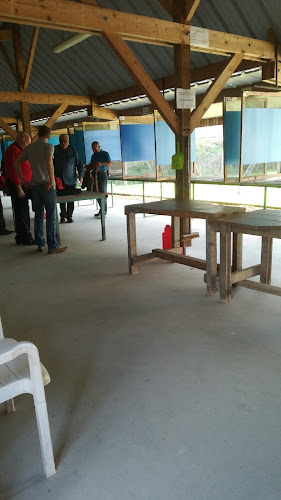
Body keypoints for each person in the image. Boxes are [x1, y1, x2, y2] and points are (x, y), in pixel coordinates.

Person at [14, 125, 67, 255]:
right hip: (46, 185)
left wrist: (23, 181)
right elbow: (49, 162)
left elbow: (17, 163)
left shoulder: (29, 148)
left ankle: (40, 244)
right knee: (50, 215)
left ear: (38, 135)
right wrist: (52, 180)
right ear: (48, 137)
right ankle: (53, 246)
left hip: (35, 186)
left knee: (38, 215)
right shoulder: (48, 147)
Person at [4, 131, 35, 245]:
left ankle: (21, 237)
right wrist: (19, 188)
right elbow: (13, 171)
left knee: (21, 211)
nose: (27, 145)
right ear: (21, 140)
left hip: (24, 184)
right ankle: (25, 237)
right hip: (18, 185)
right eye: (27, 142)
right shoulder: (13, 150)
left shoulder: (18, 149)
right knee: (22, 212)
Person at [53, 134, 84, 223]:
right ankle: (62, 216)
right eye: (61, 141)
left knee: (71, 199)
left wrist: (81, 176)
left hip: (71, 179)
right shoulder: (55, 150)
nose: (63, 143)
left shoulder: (73, 150)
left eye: (65, 141)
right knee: (61, 199)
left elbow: (79, 164)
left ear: (68, 141)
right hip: (59, 180)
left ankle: (69, 216)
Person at [90, 141, 112, 218]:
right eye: (92, 149)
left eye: (95, 149)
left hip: (103, 174)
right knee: (96, 193)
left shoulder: (105, 154)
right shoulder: (93, 156)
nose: (94, 151)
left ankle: (104, 211)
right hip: (95, 175)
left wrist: (102, 164)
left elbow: (110, 164)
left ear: (99, 147)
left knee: (103, 193)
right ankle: (101, 209)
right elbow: (91, 165)